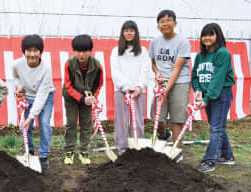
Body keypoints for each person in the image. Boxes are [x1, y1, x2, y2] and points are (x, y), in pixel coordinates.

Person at [149, 9, 191, 162]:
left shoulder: (182, 42)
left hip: (180, 82)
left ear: (175, 23)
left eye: (168, 20)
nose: (165, 24)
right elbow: (153, 63)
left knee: (177, 118)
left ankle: (176, 150)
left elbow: (177, 69)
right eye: (162, 21)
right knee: (157, 118)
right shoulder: (155, 42)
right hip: (162, 82)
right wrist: (157, 73)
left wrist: (166, 90)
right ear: (158, 25)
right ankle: (163, 135)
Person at [192, 23, 235, 173]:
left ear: (218, 36)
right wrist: (198, 90)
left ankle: (209, 161)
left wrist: (207, 98)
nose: (207, 38)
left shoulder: (222, 53)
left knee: (216, 127)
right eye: (204, 35)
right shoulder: (200, 56)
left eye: (211, 34)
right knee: (216, 125)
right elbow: (195, 76)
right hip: (208, 95)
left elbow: (217, 78)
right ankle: (227, 156)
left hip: (221, 94)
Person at [13, 34, 55, 170]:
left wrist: (31, 116)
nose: (32, 54)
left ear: (40, 52)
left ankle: (43, 155)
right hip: (27, 97)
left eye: (35, 50)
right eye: (28, 50)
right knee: (24, 127)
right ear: (24, 51)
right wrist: (19, 87)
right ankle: (30, 151)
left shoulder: (46, 70)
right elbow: (16, 77)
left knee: (44, 124)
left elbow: (42, 95)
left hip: (45, 97)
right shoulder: (17, 64)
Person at [110, 20, 150, 155]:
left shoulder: (143, 51)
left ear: (136, 33)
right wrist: (124, 87)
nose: (128, 33)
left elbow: (145, 70)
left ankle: (137, 148)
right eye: (126, 30)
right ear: (122, 33)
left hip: (138, 91)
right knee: (121, 121)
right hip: (121, 91)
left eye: (131, 30)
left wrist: (139, 86)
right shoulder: (116, 51)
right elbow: (115, 71)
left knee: (138, 121)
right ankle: (122, 149)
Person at [63, 34, 104, 165]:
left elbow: (99, 84)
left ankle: (84, 151)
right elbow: (68, 86)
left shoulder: (97, 66)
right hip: (71, 98)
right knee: (71, 123)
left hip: (87, 98)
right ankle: (69, 151)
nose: (81, 54)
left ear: (90, 51)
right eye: (78, 51)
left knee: (87, 124)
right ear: (74, 51)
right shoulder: (69, 64)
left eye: (85, 51)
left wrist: (93, 97)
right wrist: (81, 98)